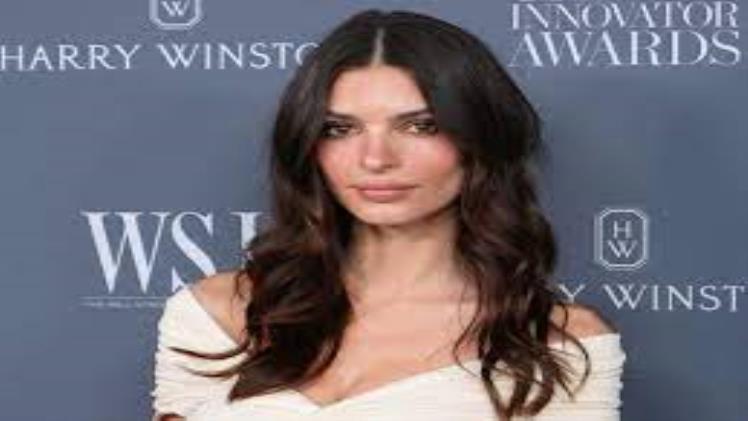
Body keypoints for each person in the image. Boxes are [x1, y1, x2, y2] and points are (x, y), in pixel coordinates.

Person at [151, 8, 626, 421]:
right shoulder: (218, 316)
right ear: (308, 145)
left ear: (479, 138)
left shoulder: (559, 346)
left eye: (420, 126)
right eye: (340, 129)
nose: (375, 158)